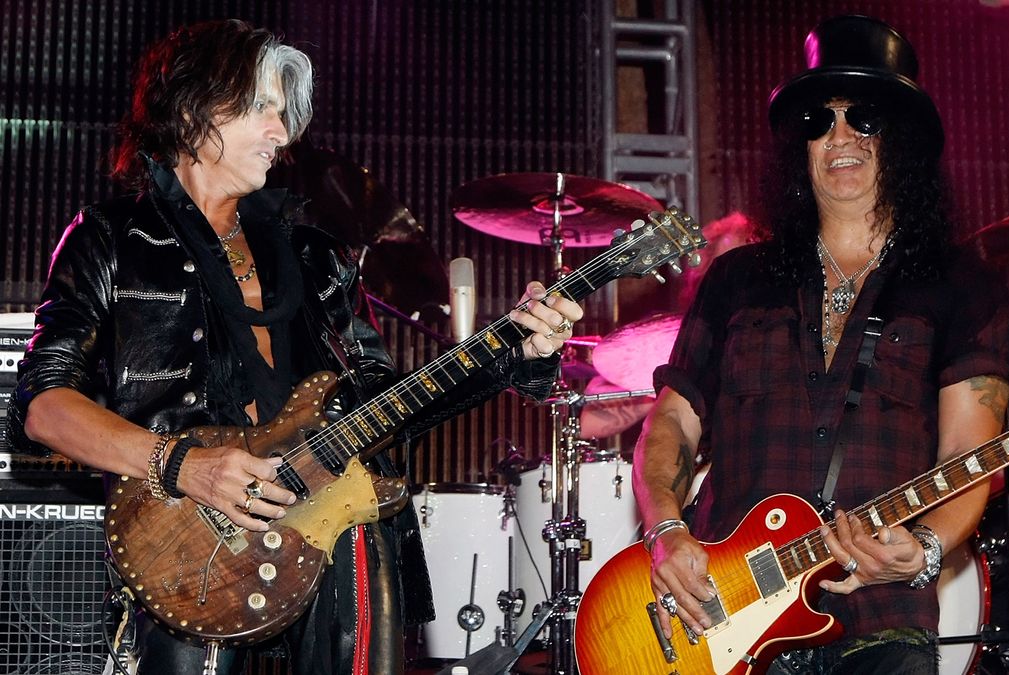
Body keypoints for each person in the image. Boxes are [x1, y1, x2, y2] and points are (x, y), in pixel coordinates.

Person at [4, 19, 582, 674]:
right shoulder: (112, 237)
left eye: (285, 113)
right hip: (192, 549)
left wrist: (515, 350)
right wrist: (184, 464)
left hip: (334, 535)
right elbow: (42, 407)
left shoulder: (314, 256)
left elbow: (388, 403)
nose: (283, 133)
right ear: (195, 109)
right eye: (263, 110)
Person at [632, 15, 1009, 674]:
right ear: (798, 149)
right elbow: (669, 421)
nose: (840, 136)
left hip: (881, 620)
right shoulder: (738, 280)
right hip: (727, 621)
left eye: (863, 117)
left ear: (898, 138)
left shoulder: (961, 286)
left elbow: (969, 454)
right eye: (819, 121)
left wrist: (927, 546)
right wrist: (667, 531)